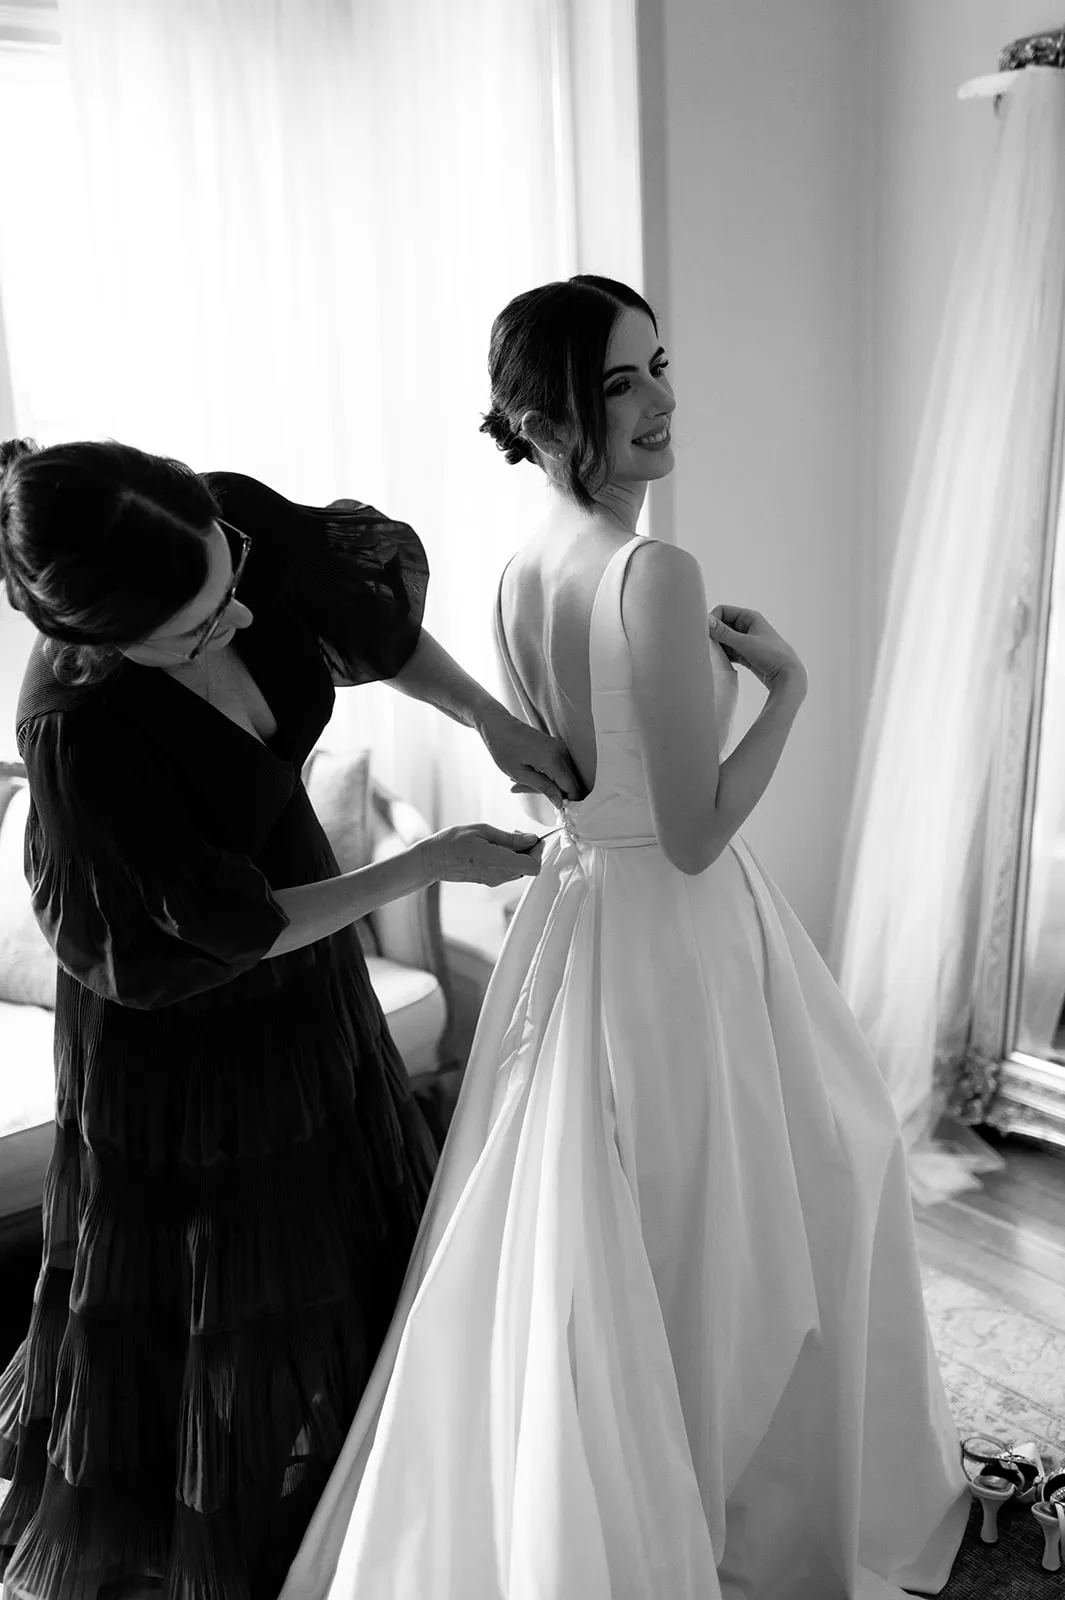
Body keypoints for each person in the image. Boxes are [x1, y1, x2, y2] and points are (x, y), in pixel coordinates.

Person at [278, 276, 971, 1600]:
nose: (660, 401)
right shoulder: (653, 571)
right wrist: (789, 689)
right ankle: (734, 1512)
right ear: (542, 421)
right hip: (676, 924)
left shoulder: (521, 569)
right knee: (778, 1201)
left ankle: (629, 1486)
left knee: (633, 1229)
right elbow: (697, 830)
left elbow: (571, 785)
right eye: (618, 384)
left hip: (582, 914)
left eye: (661, 367)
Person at [0, 438, 581, 1599]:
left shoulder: (218, 529)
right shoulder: (84, 734)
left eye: (231, 584)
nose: (233, 618)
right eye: (194, 629)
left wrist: (484, 718)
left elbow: (364, 625)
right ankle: (235, 1548)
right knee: (225, 1297)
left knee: (355, 1233)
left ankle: (375, 1499)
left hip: (306, 960)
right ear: (101, 640)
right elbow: (231, 926)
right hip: (184, 1024)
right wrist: (427, 862)